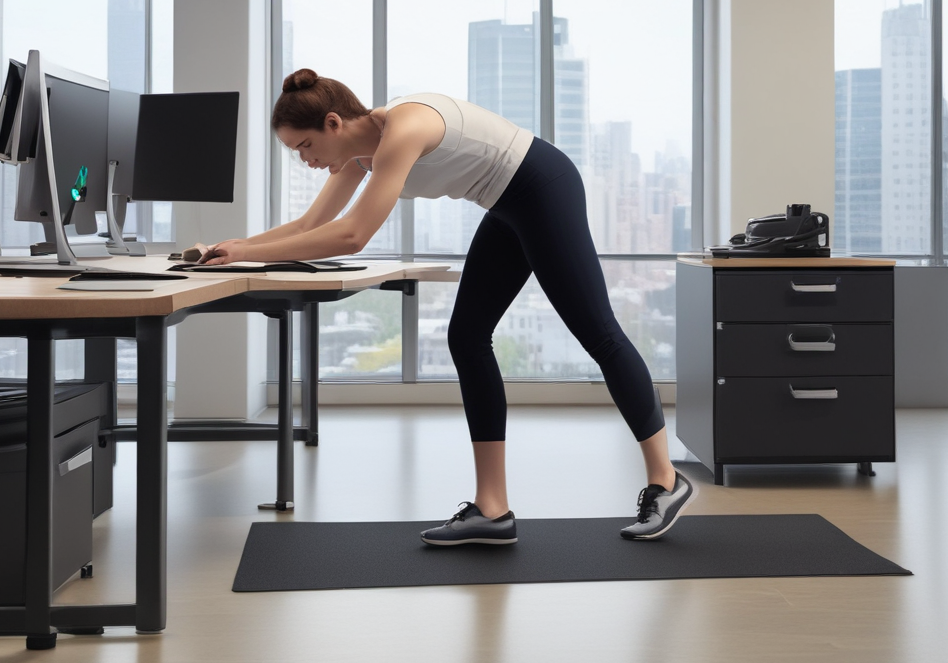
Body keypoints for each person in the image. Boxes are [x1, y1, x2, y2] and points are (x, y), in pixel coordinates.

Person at [202, 69, 695, 544]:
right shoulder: (356, 157)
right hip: (503, 203)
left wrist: (247, 254)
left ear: (333, 123)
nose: (304, 161)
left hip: (542, 186)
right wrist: (232, 247)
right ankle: (493, 509)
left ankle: (665, 480)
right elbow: (311, 224)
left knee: (598, 332)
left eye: (304, 146)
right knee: (467, 336)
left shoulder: (404, 127)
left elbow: (352, 236)